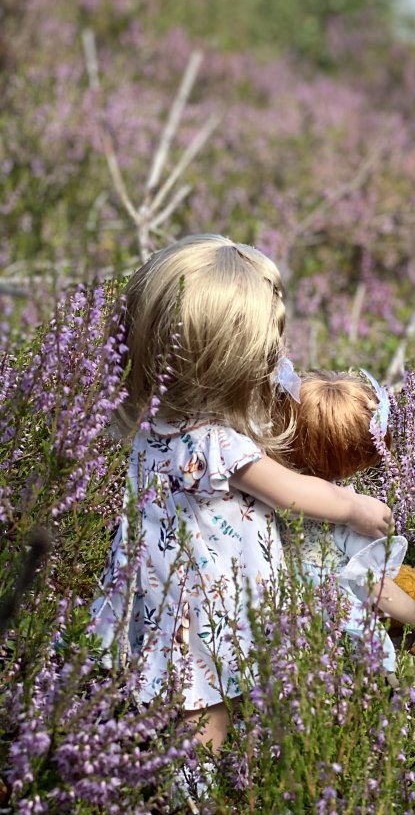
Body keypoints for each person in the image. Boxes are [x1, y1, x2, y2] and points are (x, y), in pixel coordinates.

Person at [90, 234, 393, 754]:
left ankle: (169, 756)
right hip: (211, 595)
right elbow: (290, 492)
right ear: (226, 361)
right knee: (205, 696)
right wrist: (354, 506)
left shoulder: (153, 426)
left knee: (182, 679)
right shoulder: (218, 443)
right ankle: (195, 779)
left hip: (159, 580)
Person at [271, 366, 415, 668]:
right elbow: (375, 585)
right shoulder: (351, 513)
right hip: (336, 627)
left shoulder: (269, 492)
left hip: (276, 617)